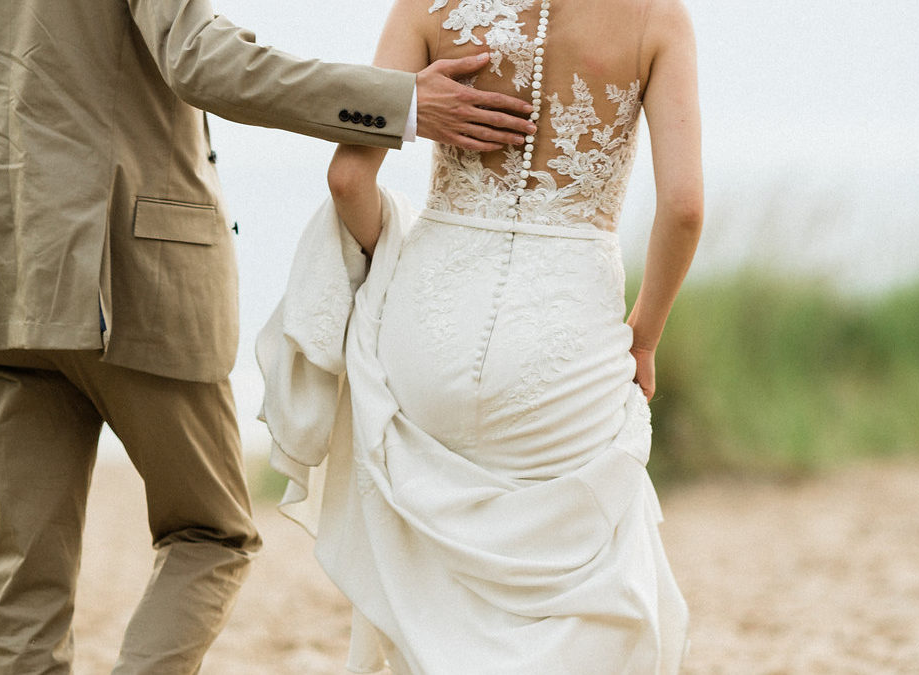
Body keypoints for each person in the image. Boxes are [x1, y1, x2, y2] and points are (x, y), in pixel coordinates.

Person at [0, 0, 538, 672]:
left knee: (26, 581)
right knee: (210, 532)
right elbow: (202, 60)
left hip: (4, 272)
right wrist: (396, 101)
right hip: (131, 274)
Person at [259, 0, 703, 671]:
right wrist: (643, 337)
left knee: (432, 569)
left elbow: (348, 179)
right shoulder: (655, 17)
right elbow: (685, 208)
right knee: (574, 572)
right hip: (562, 329)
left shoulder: (428, 7)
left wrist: (393, 264)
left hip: (430, 315)